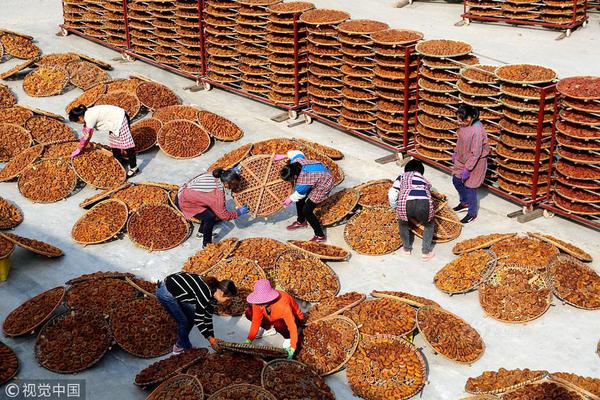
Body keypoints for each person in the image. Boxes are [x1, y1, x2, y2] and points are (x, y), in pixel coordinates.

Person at [156, 272, 238, 354]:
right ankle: (184, 348)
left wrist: (212, 338)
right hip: (166, 291)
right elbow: (199, 319)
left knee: (191, 316)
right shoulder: (205, 293)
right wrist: (210, 339)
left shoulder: (213, 295)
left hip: (178, 291)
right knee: (183, 321)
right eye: (227, 299)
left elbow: (207, 317)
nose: (226, 302)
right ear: (222, 293)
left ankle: (180, 344)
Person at [174, 168, 249, 247]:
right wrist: (238, 212)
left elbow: (226, 173)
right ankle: (206, 244)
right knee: (209, 217)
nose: (235, 187)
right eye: (234, 185)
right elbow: (224, 216)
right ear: (226, 184)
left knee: (209, 211)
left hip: (186, 193)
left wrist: (231, 171)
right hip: (185, 202)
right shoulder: (217, 196)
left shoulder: (215, 175)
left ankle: (201, 232)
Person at [69, 104, 139, 178]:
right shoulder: (87, 114)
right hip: (113, 120)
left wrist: (79, 149)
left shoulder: (89, 117)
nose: (78, 124)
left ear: (80, 117)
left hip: (120, 118)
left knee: (127, 144)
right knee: (114, 142)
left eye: (77, 122)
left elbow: (87, 137)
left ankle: (134, 167)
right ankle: (119, 160)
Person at [278, 150, 334, 243]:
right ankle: (301, 221)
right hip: (319, 174)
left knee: (307, 211)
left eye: (289, 180)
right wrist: (284, 156)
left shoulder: (302, 183)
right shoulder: (296, 162)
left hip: (324, 183)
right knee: (300, 201)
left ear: (295, 177)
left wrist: (290, 199)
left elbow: (299, 194)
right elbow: (296, 153)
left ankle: (320, 235)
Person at [244, 279, 304, 359]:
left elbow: (292, 326)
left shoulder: (282, 305)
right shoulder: (258, 303)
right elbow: (256, 321)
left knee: (278, 324)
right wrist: (249, 339)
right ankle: (268, 329)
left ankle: (287, 337)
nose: (260, 304)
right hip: (271, 317)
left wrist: (293, 347)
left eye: (263, 301)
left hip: (294, 318)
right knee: (248, 312)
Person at [388, 159, 435, 261]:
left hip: (406, 203)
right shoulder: (424, 179)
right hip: (424, 204)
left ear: (406, 170)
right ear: (421, 171)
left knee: (403, 224)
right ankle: (426, 252)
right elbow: (428, 191)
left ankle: (406, 249)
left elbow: (392, 193)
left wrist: (395, 206)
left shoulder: (402, 176)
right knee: (429, 225)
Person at [451, 104, 490, 224]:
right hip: (462, 157)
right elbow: (461, 140)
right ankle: (464, 202)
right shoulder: (464, 125)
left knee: (470, 187)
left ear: (470, 118)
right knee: (456, 180)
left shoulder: (477, 131)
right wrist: (456, 153)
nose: (459, 122)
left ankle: (472, 212)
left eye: (461, 119)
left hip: (476, 162)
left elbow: (476, 153)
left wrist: (468, 169)